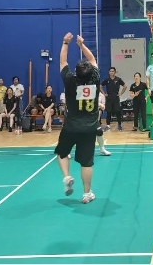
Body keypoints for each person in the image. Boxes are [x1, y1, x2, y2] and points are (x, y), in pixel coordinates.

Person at [55, 33, 100, 203]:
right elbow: (92, 59)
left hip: (71, 127)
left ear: (76, 73)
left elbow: (62, 62)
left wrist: (65, 43)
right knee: (86, 163)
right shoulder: (95, 78)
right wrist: (82, 45)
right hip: (89, 128)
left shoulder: (70, 81)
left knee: (62, 152)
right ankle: (87, 194)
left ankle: (67, 176)